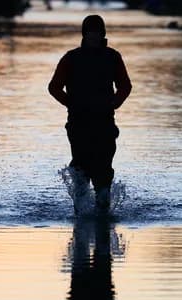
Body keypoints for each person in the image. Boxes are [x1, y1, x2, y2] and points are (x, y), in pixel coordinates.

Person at [48, 15, 132, 211]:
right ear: (84, 35)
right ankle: (80, 212)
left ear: (102, 34)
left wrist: (114, 103)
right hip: (78, 123)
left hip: (104, 122)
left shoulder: (113, 57)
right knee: (81, 167)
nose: (93, 36)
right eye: (90, 33)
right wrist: (71, 103)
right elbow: (54, 87)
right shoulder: (71, 58)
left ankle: (103, 213)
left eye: (97, 33)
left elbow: (125, 86)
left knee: (103, 169)